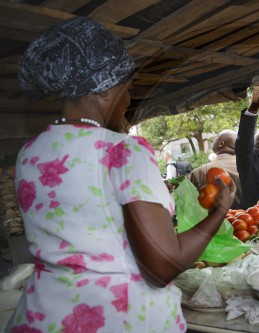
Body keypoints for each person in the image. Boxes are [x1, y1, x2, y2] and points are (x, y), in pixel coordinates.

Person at [8, 17, 235, 333]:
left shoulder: (30, 154)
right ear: (103, 92)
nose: (129, 102)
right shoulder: (123, 152)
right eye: (127, 90)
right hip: (120, 319)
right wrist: (219, 211)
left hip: (42, 317)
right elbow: (162, 266)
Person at [190, 129, 243, 208]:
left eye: (216, 138)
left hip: (215, 219)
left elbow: (192, 206)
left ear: (221, 144)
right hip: (250, 218)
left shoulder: (199, 173)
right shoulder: (248, 168)